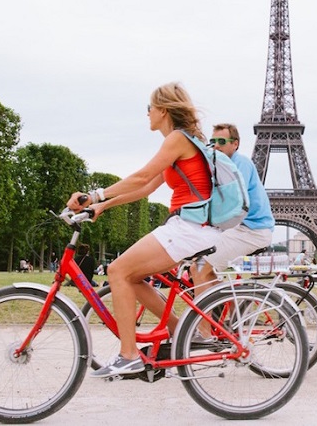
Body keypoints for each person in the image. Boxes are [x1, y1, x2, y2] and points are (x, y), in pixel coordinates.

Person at [67, 82, 222, 377]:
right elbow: (148, 187)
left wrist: (96, 194)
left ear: (163, 110)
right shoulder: (183, 141)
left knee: (117, 271)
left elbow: (141, 176)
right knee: (131, 277)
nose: (147, 113)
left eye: (149, 107)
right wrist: (103, 206)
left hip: (189, 226)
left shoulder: (177, 139)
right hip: (192, 226)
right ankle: (182, 331)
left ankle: (128, 356)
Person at [189, 123, 275, 335]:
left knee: (199, 267)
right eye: (213, 142)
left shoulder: (240, 164)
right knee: (203, 270)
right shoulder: (222, 165)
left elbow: (234, 201)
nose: (215, 146)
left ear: (235, 144)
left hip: (252, 229)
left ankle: (204, 332)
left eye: (222, 141)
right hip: (243, 228)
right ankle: (220, 316)